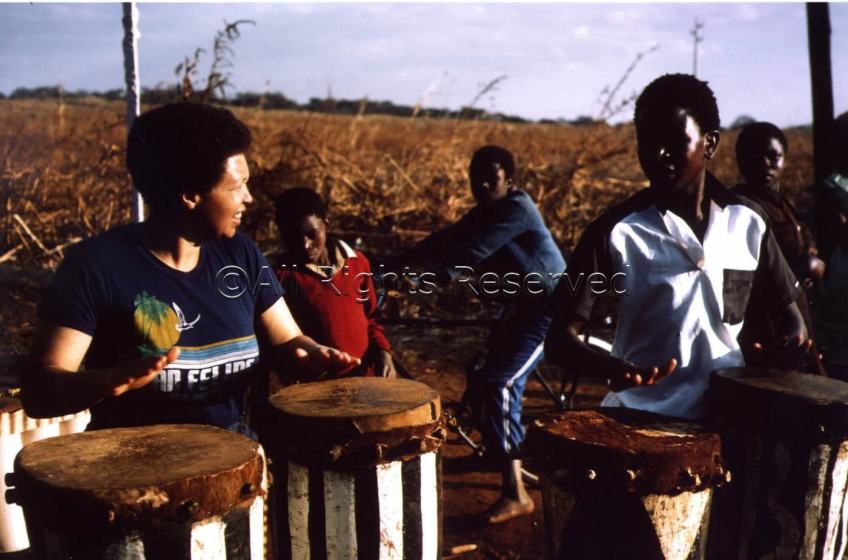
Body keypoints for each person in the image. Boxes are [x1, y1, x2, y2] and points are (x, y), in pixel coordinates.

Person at [22, 103, 358, 433]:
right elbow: (40, 392)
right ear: (190, 195)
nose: (249, 198)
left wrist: (310, 353)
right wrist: (108, 381)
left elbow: (288, 341)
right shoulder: (96, 267)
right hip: (133, 478)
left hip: (234, 469)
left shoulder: (240, 254)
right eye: (236, 187)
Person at [545, 74, 813, 422]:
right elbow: (559, 337)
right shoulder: (616, 231)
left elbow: (790, 314)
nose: (659, 153)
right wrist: (611, 367)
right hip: (641, 421)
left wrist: (790, 345)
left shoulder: (748, 222)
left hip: (728, 422)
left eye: (674, 140)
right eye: (648, 140)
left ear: (710, 144)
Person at [393, 145, 566, 524]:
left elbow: (472, 250)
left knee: (499, 383)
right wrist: (395, 262)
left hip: (548, 309)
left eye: (493, 177)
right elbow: (448, 238)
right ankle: (494, 449)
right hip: (522, 305)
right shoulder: (489, 211)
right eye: (477, 178)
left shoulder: (516, 210)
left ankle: (516, 492)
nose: (483, 184)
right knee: (479, 374)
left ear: (510, 180)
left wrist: (427, 279)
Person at [273, 187, 395, 378]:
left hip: (366, 377)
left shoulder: (357, 263)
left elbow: (371, 318)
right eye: (293, 237)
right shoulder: (281, 277)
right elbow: (280, 341)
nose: (305, 244)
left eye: (312, 234)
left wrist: (383, 352)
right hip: (319, 388)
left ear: (326, 225)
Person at [732, 122, 825, 372]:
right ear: (741, 159)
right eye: (756, 155)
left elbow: (806, 243)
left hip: (797, 308)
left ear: (784, 158)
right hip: (768, 318)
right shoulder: (740, 208)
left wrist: (813, 262)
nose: (765, 163)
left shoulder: (783, 203)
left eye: (773, 156)